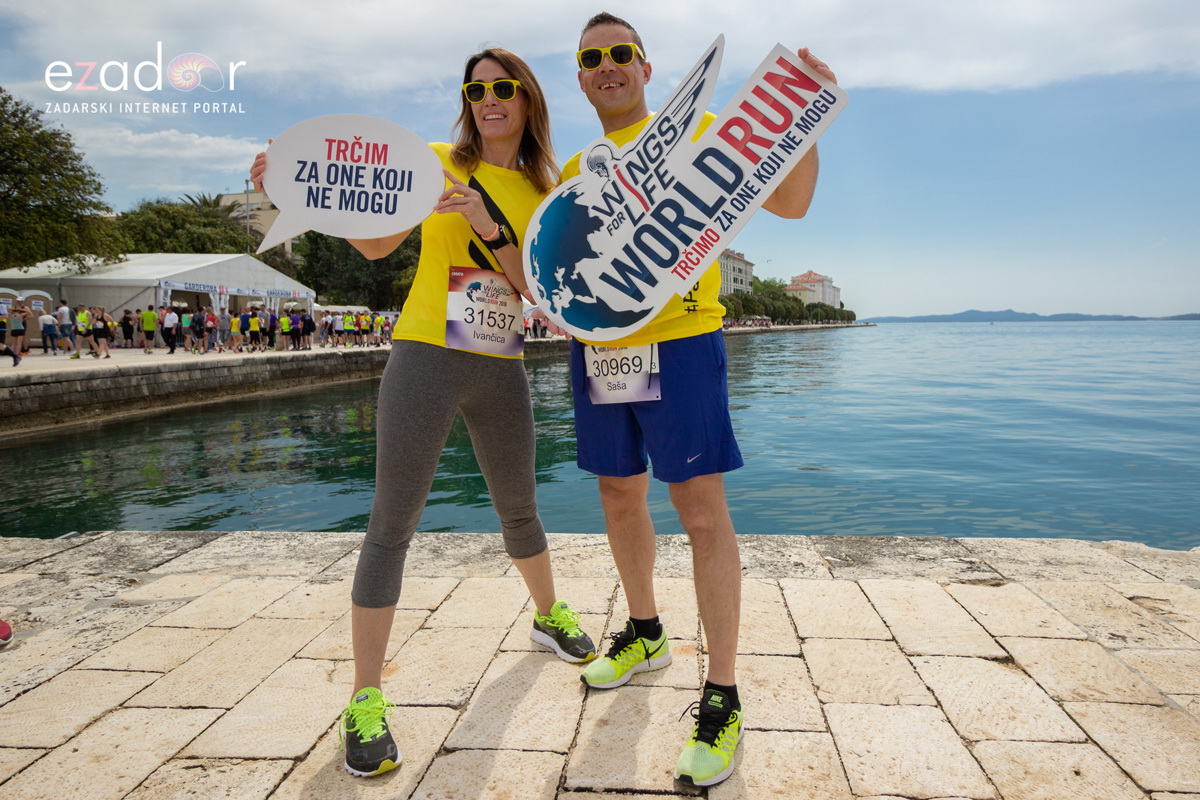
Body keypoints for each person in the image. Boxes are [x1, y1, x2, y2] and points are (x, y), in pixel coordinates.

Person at [251, 45, 596, 780]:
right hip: (425, 357)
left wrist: (488, 221)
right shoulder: (435, 160)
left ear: (528, 98)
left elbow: (538, 291)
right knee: (390, 524)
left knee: (520, 510)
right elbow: (378, 244)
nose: (489, 99)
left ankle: (547, 615)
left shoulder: (545, 188)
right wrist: (302, 197)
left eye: (504, 87)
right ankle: (365, 700)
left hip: (500, 364)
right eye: (476, 89)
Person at [561, 13, 838, 787]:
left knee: (702, 512)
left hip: (681, 342)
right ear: (580, 77)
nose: (607, 66)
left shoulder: (702, 133)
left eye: (620, 53)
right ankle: (645, 633)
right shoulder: (577, 168)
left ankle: (722, 692)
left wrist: (803, 117)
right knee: (619, 496)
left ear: (647, 69)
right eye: (592, 58)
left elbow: (791, 204)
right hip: (600, 349)